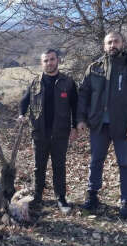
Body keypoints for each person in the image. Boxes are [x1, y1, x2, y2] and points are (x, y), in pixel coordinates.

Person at [77, 31, 127, 218]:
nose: (112, 45)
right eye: (109, 42)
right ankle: (92, 196)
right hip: (98, 125)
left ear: (122, 43)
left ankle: (126, 202)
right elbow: (83, 95)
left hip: (123, 125)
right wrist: (81, 119)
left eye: (116, 41)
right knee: (95, 161)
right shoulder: (94, 68)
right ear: (104, 46)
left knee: (125, 164)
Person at [18, 49, 78, 213]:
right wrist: (21, 114)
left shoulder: (68, 82)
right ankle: (37, 197)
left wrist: (75, 127)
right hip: (40, 132)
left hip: (60, 132)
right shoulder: (35, 82)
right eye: (46, 61)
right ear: (41, 63)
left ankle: (61, 198)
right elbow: (24, 102)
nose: (49, 63)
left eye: (52, 59)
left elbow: (76, 106)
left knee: (59, 166)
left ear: (57, 60)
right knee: (39, 167)